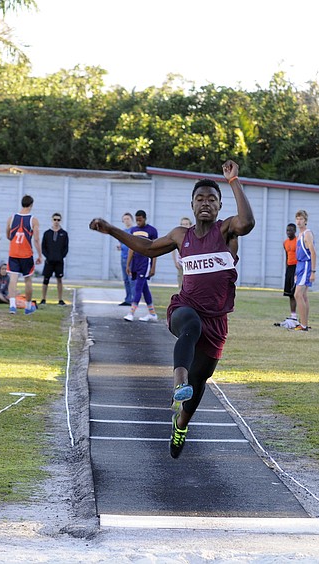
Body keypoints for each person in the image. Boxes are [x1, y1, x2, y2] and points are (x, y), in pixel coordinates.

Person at [90, 160, 254, 459]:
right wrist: (113, 230)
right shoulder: (182, 235)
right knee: (189, 326)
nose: (206, 204)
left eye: (212, 200)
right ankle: (178, 381)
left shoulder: (227, 230)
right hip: (185, 307)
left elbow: (248, 222)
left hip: (216, 319)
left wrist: (233, 181)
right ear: (192, 205)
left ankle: (181, 423)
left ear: (219, 206)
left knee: (201, 379)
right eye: (200, 199)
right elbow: (148, 247)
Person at [6, 195, 43, 314]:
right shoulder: (33, 220)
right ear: (31, 205)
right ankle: (27, 307)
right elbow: (36, 239)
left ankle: (12, 306)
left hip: (14, 252)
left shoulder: (11, 218)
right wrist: (40, 255)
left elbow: (8, 235)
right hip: (26, 254)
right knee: (28, 280)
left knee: (13, 279)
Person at [124, 210, 159, 322]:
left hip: (145, 262)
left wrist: (153, 267)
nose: (138, 222)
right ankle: (152, 314)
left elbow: (155, 249)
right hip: (136, 262)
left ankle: (131, 313)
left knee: (138, 287)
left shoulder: (152, 231)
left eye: (140, 220)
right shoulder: (133, 230)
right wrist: (128, 264)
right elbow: (131, 248)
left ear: (145, 218)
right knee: (144, 289)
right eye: (137, 220)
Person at [293, 209, 316, 331]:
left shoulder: (307, 234)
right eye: (297, 218)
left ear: (305, 221)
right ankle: (304, 323)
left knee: (298, 294)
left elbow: (313, 252)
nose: (299, 221)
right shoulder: (299, 235)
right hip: (300, 266)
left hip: (306, 265)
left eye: (301, 219)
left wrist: (313, 271)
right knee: (303, 295)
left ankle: (303, 325)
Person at [40, 213, 69, 306]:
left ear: (60, 221)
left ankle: (60, 299)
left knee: (59, 279)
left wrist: (61, 257)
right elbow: (43, 247)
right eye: (55, 219)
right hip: (49, 261)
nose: (56, 221)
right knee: (46, 279)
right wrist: (47, 256)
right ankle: (43, 299)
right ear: (52, 220)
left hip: (59, 261)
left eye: (58, 220)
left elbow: (66, 247)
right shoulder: (47, 233)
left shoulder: (64, 234)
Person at [282, 222, 298, 325]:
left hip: (297, 267)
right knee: (290, 293)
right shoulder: (285, 242)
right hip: (289, 268)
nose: (288, 232)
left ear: (294, 231)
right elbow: (287, 256)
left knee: (297, 292)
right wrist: (286, 268)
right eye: (287, 230)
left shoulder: (298, 241)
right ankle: (293, 315)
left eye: (290, 230)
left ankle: (300, 314)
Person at [117, 213, 134, 306]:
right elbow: (122, 244)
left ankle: (133, 299)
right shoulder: (122, 232)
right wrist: (120, 247)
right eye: (125, 219)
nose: (126, 220)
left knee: (131, 279)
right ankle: (127, 299)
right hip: (123, 257)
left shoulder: (134, 231)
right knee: (125, 280)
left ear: (131, 220)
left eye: (128, 218)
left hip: (131, 259)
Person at [172, 216, 193, 288]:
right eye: (183, 224)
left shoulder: (193, 236)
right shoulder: (178, 236)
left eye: (186, 224)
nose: (185, 226)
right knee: (181, 285)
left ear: (190, 225)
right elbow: (173, 250)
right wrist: (175, 262)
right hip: (181, 264)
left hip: (190, 265)